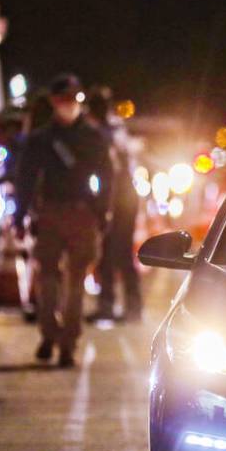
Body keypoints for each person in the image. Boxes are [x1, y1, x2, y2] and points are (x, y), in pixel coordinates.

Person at [12, 74, 112, 368]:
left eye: (73, 100)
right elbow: (26, 180)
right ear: (54, 103)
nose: (69, 105)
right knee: (49, 279)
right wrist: (21, 214)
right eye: (63, 100)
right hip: (52, 213)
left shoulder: (92, 138)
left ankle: (66, 343)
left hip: (80, 214)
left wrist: (102, 211)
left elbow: (106, 179)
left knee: (74, 282)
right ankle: (49, 335)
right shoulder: (42, 140)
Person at [85, 86, 142, 323]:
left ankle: (130, 307)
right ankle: (111, 305)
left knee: (119, 253)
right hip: (120, 198)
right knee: (109, 254)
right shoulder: (115, 129)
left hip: (121, 199)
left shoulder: (106, 132)